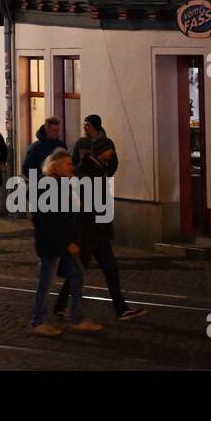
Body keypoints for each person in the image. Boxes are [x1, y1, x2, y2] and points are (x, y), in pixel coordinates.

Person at [52, 133, 146, 322]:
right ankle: (64, 308)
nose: (113, 152)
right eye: (110, 149)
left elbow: (113, 167)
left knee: (109, 270)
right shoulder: (87, 172)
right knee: (79, 271)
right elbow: (84, 204)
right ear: (102, 151)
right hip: (89, 232)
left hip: (98, 231)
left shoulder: (99, 168)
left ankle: (121, 309)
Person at [29, 149, 102, 337]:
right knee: (46, 282)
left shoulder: (60, 184)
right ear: (56, 166)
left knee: (77, 274)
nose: (72, 167)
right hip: (52, 245)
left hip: (62, 243)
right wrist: (67, 243)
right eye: (68, 164)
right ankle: (39, 321)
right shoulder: (48, 186)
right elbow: (49, 220)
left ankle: (77, 318)